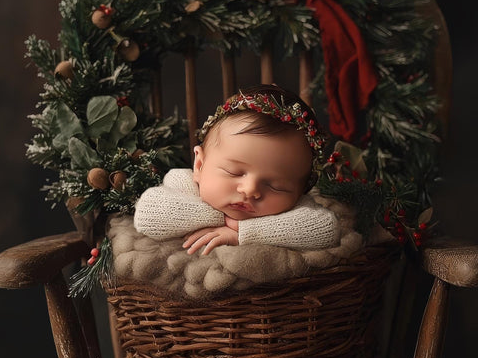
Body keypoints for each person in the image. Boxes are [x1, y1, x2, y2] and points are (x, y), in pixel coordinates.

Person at [133, 84, 339, 255]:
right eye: (234, 172)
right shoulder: (183, 183)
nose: (250, 190)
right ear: (199, 165)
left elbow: (326, 230)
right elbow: (147, 215)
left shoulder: (298, 208)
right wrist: (220, 218)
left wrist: (242, 232)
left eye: (276, 186)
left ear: (300, 190)